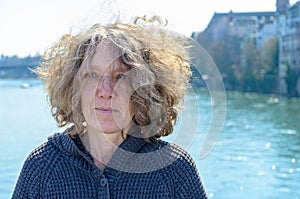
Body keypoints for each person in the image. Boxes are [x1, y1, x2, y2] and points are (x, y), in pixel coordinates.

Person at [12, 15, 208, 199]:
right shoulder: (42, 166)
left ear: (143, 90)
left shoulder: (174, 169)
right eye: (92, 75)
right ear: (74, 87)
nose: (105, 91)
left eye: (120, 77)